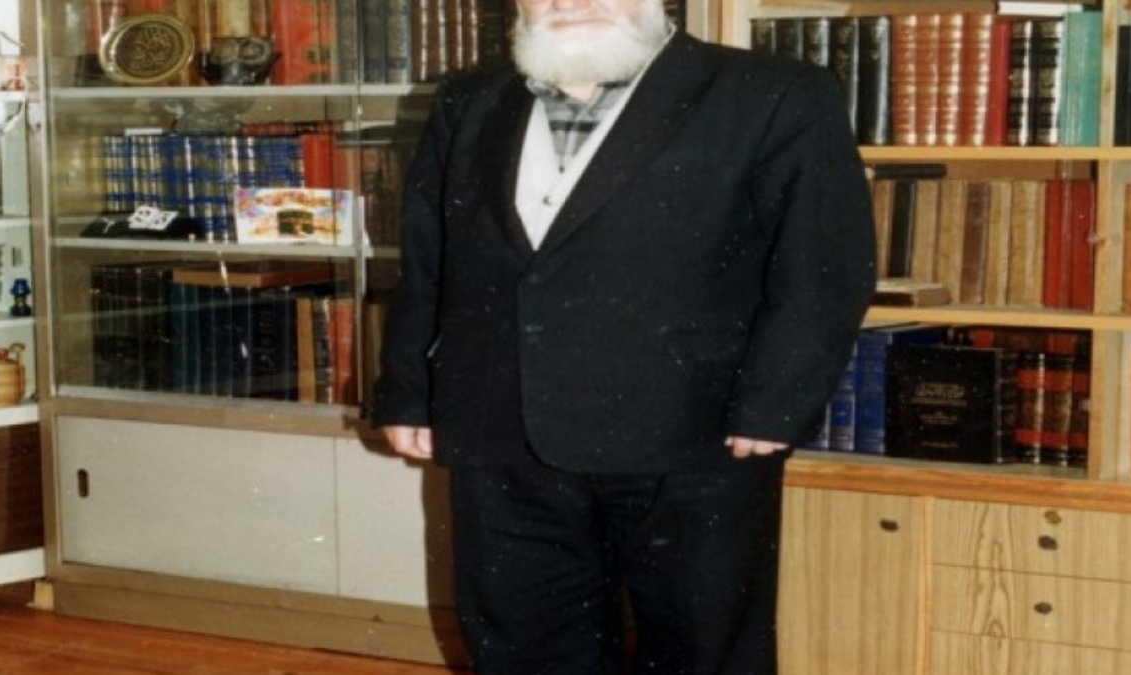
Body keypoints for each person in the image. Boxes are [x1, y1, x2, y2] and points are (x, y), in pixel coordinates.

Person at [368, 0, 877, 669]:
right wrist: (409, 389)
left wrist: (776, 402)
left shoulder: (772, 91)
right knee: (525, 651)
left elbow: (825, 261)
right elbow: (429, 255)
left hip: (693, 437)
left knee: (703, 655)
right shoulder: (470, 99)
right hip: (502, 432)